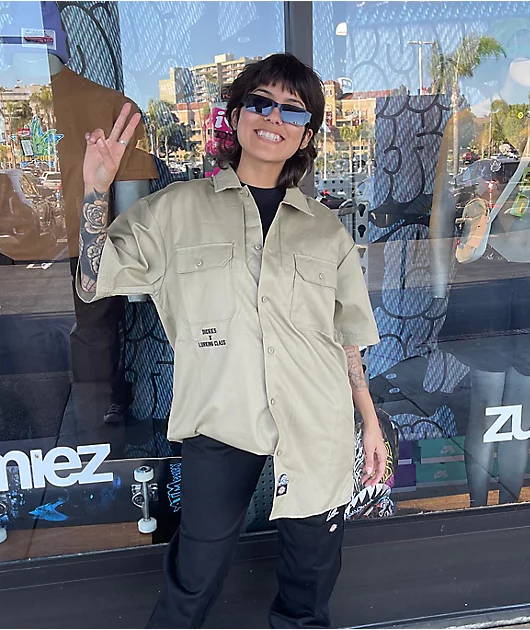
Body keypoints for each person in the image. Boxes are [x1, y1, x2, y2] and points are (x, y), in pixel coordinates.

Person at [77, 53, 384, 629]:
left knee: (310, 584)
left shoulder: (325, 230)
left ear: (306, 135)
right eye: (260, 103)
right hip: (220, 422)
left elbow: (346, 337)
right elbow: (95, 280)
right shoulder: (176, 210)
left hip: (316, 424)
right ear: (237, 116)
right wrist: (96, 190)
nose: (274, 118)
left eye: (292, 110)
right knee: (193, 579)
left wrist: (367, 422)